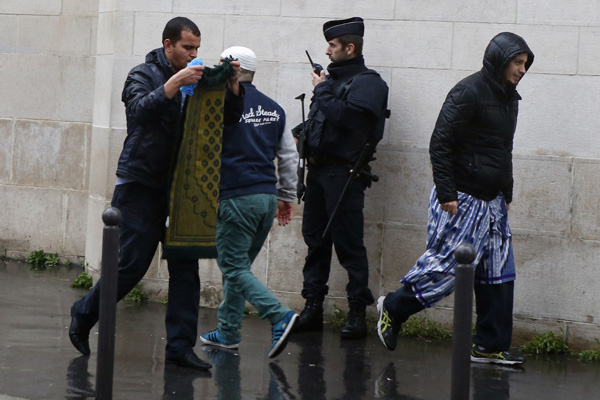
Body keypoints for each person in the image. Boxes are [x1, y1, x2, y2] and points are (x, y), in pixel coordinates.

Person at [68, 17, 244, 371]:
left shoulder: (198, 77)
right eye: (187, 48)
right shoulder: (143, 74)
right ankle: (85, 312)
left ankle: (179, 347)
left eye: (197, 48)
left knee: (185, 269)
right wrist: (175, 82)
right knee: (130, 265)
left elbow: (228, 119)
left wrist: (233, 87)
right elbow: (139, 111)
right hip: (141, 183)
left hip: (183, 186)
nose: (194, 54)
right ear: (168, 45)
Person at [376, 32, 534, 365]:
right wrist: (447, 193)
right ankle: (393, 307)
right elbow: (440, 143)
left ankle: (489, 346)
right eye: (517, 63)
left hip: (492, 202)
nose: (521, 70)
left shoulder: (509, 99)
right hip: (461, 198)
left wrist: (507, 191)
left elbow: (502, 149)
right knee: (447, 271)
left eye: (524, 64)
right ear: (500, 60)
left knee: (499, 274)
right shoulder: (468, 91)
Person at [198, 46, 299, 358]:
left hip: (236, 197)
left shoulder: (220, 104)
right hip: (265, 199)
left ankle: (278, 314)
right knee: (239, 268)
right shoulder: (275, 109)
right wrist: (286, 196)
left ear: (231, 70)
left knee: (232, 265)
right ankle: (227, 332)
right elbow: (289, 156)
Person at [293, 17, 389, 339]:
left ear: (350, 48)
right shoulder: (329, 83)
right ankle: (312, 308)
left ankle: (357, 313)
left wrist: (321, 90)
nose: (327, 51)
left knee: (349, 246)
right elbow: (324, 123)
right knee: (315, 243)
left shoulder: (368, 83)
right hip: (318, 172)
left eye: (333, 46)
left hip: (344, 174)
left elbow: (347, 119)